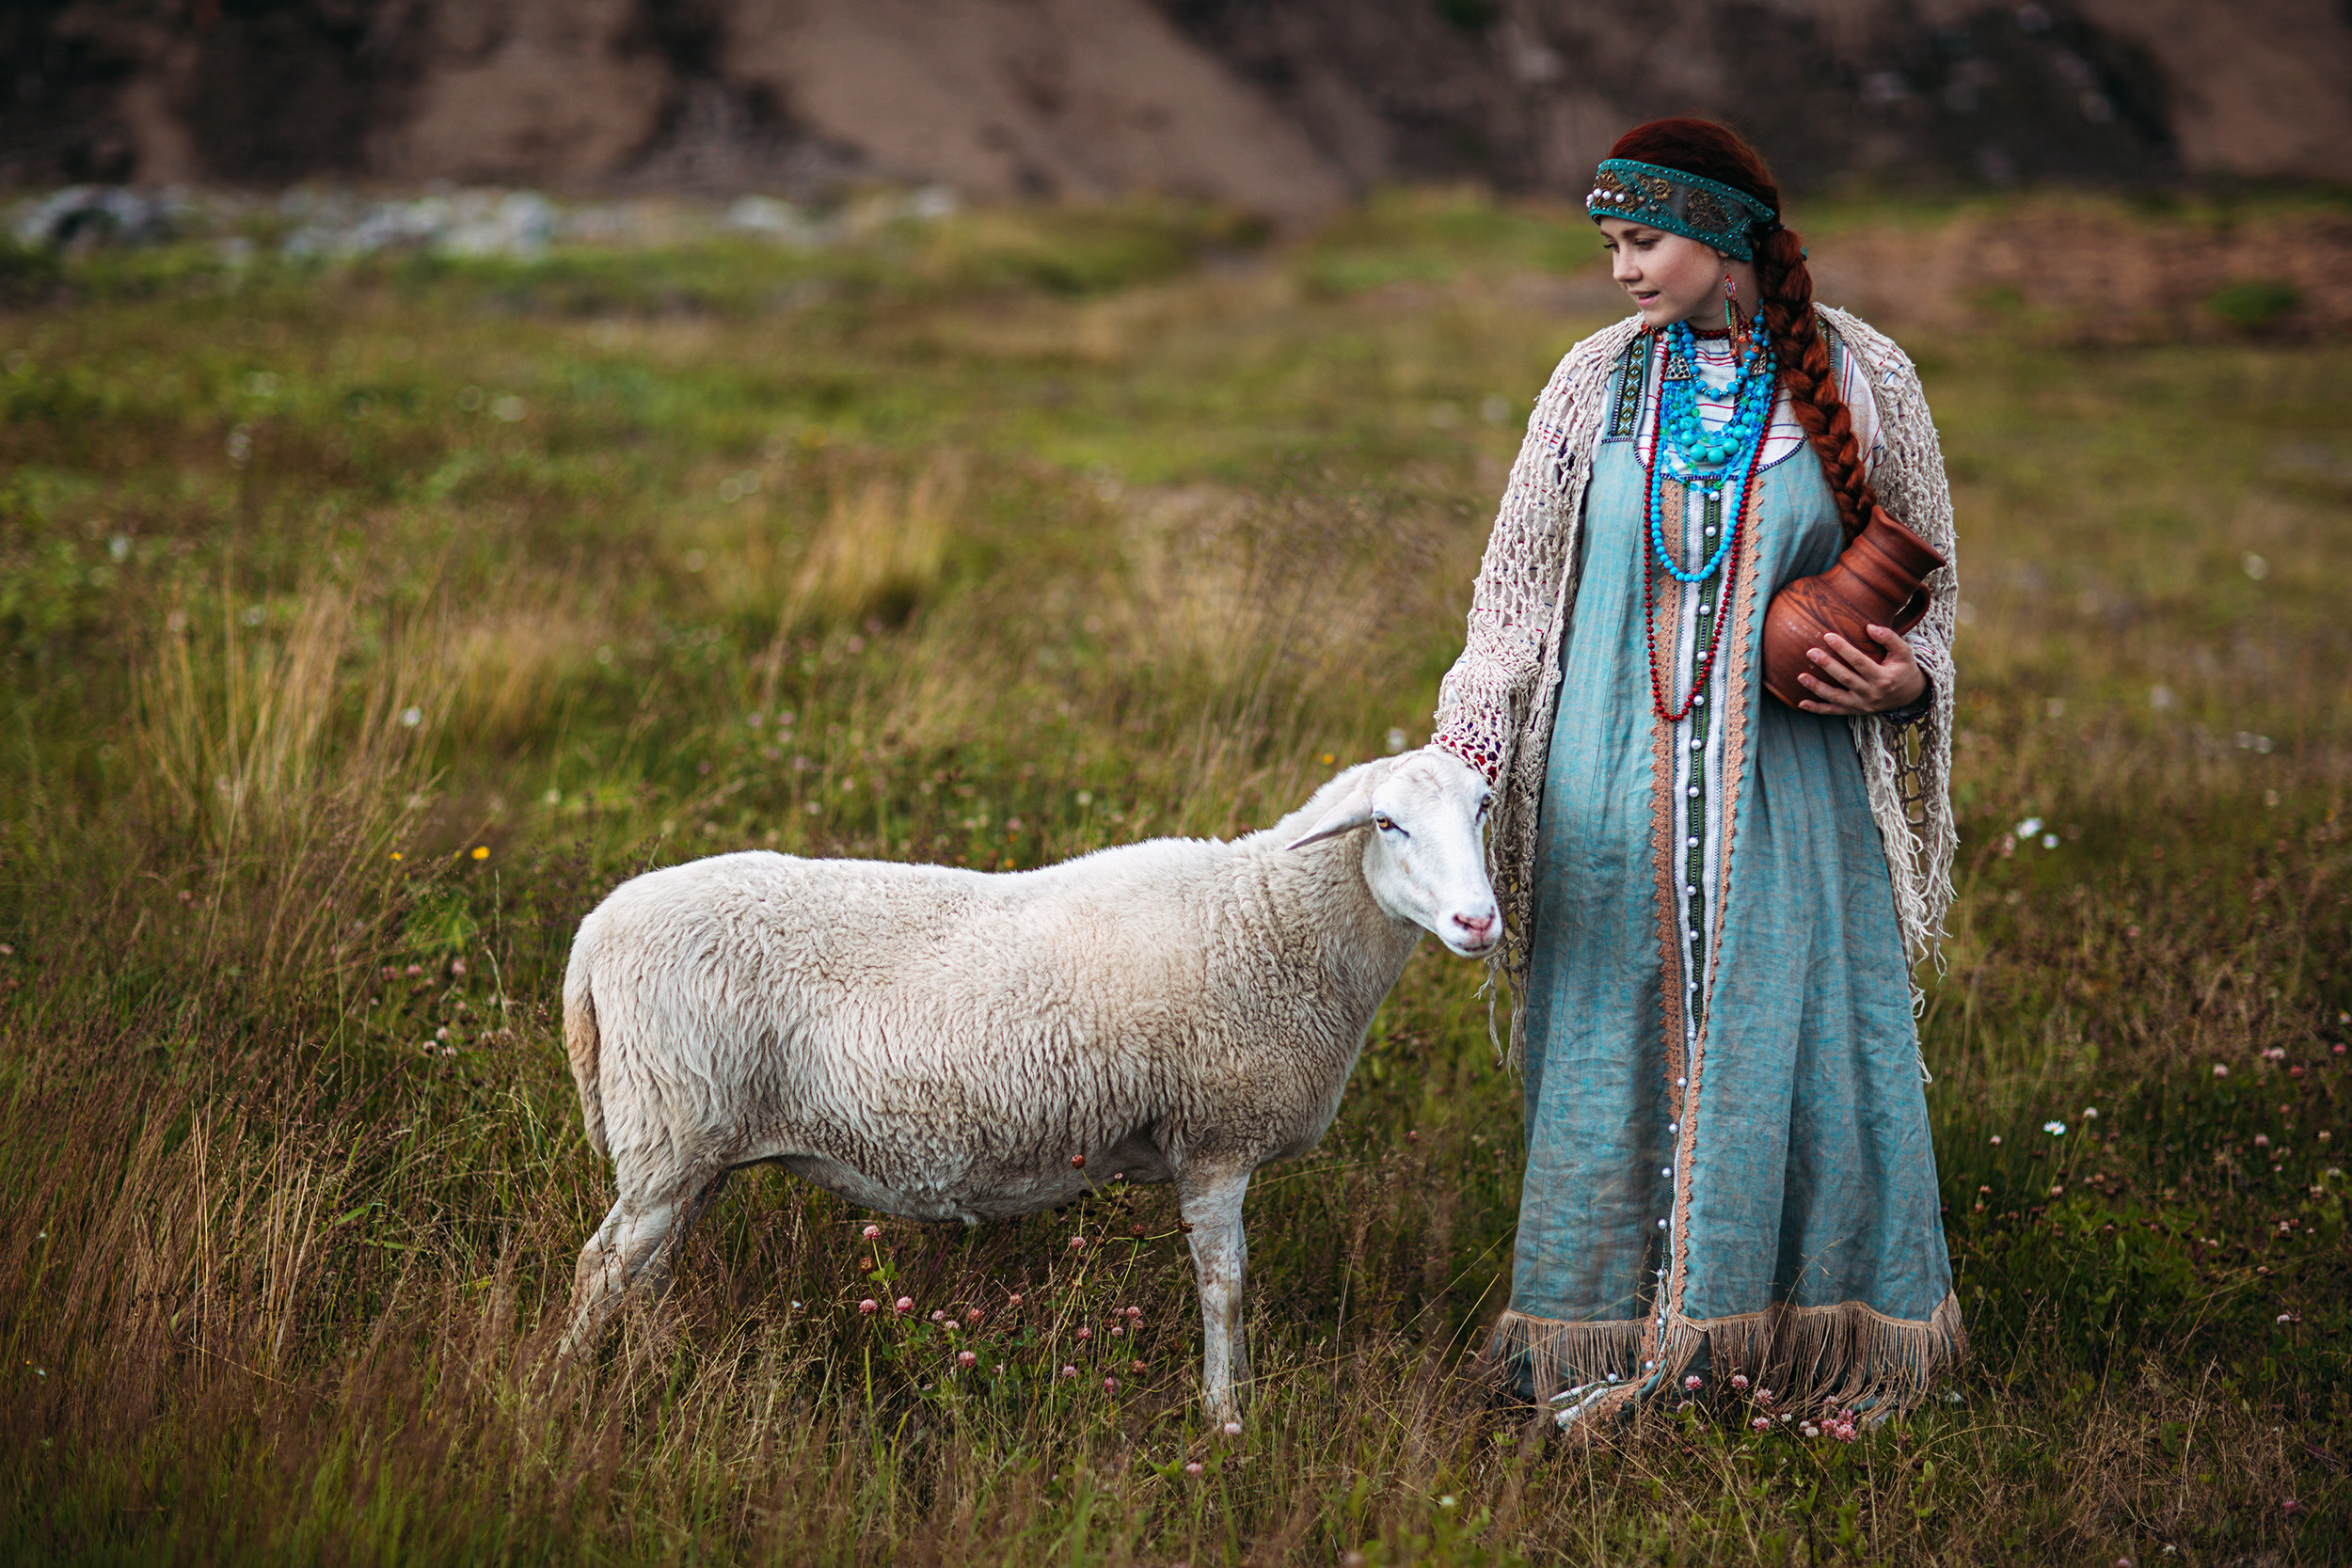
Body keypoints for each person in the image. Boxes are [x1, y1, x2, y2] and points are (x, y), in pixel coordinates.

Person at [1430, 119, 1963, 1424]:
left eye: (1643, 241)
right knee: (1609, 1055)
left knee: (1805, 1055)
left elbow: (1934, 583)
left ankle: (1794, 1351)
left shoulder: (1867, 376)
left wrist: (1905, 686)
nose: (1620, 270)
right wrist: (1466, 756)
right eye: (1609, 244)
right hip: (1605, 795)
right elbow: (1511, 601)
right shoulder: (1594, 385)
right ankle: (1602, 1344)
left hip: (1797, 807)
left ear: (1725, 240)